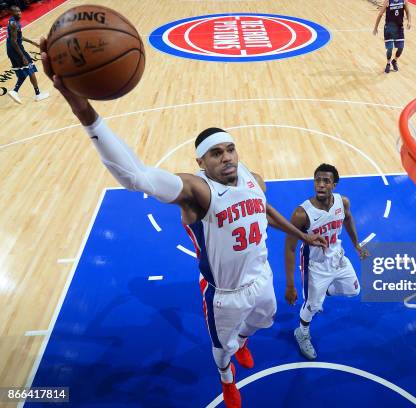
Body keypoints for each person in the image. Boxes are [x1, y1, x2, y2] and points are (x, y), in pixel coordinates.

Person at [38, 36, 327, 408]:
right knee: (222, 351)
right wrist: (81, 107)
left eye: (229, 148)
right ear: (200, 163)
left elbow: (266, 213)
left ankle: (244, 340)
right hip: (223, 295)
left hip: (262, 277)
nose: (226, 157)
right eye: (215, 153)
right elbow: (136, 177)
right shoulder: (196, 191)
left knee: (265, 319)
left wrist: (302, 234)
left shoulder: (254, 177)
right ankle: (227, 380)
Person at [284, 164, 369, 360]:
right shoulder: (301, 214)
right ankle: (302, 333)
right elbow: (289, 247)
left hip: (338, 258)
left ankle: (325, 291)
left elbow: (347, 219)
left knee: (354, 290)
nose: (320, 185)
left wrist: (356, 245)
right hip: (315, 267)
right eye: (317, 180)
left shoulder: (342, 202)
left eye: (326, 181)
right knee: (312, 306)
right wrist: (290, 285)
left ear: (334, 185)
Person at [5, 5, 48, 104]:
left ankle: (17, 91)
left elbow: (19, 36)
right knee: (30, 68)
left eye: (19, 11)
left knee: (27, 70)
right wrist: (22, 56)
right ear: (12, 13)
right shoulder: (14, 24)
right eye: (16, 12)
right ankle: (34, 94)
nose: (19, 13)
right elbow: (14, 41)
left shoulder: (12, 21)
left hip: (12, 49)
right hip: (16, 50)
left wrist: (32, 42)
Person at [373, 0, 411, 74]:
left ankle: (394, 61)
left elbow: (408, 12)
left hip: (399, 28)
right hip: (389, 29)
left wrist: (409, 21)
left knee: (401, 48)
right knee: (390, 48)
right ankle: (388, 63)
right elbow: (380, 14)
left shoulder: (403, 1)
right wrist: (375, 27)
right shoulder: (388, 1)